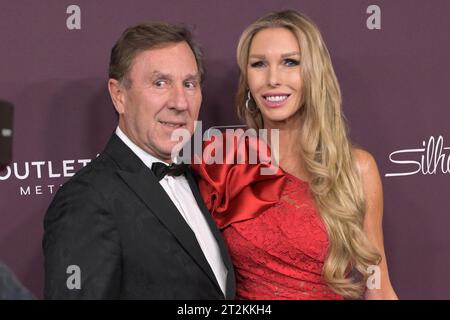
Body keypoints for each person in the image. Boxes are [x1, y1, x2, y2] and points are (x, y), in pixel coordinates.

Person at [192, 10, 397, 299]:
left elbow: (378, 286)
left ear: (313, 73)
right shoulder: (224, 163)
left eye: (290, 62)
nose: (273, 79)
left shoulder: (356, 169)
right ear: (247, 77)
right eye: (259, 64)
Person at [43, 22, 235, 299]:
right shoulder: (85, 201)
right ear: (119, 95)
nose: (180, 102)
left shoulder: (200, 178)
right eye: (160, 83)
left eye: (189, 84)